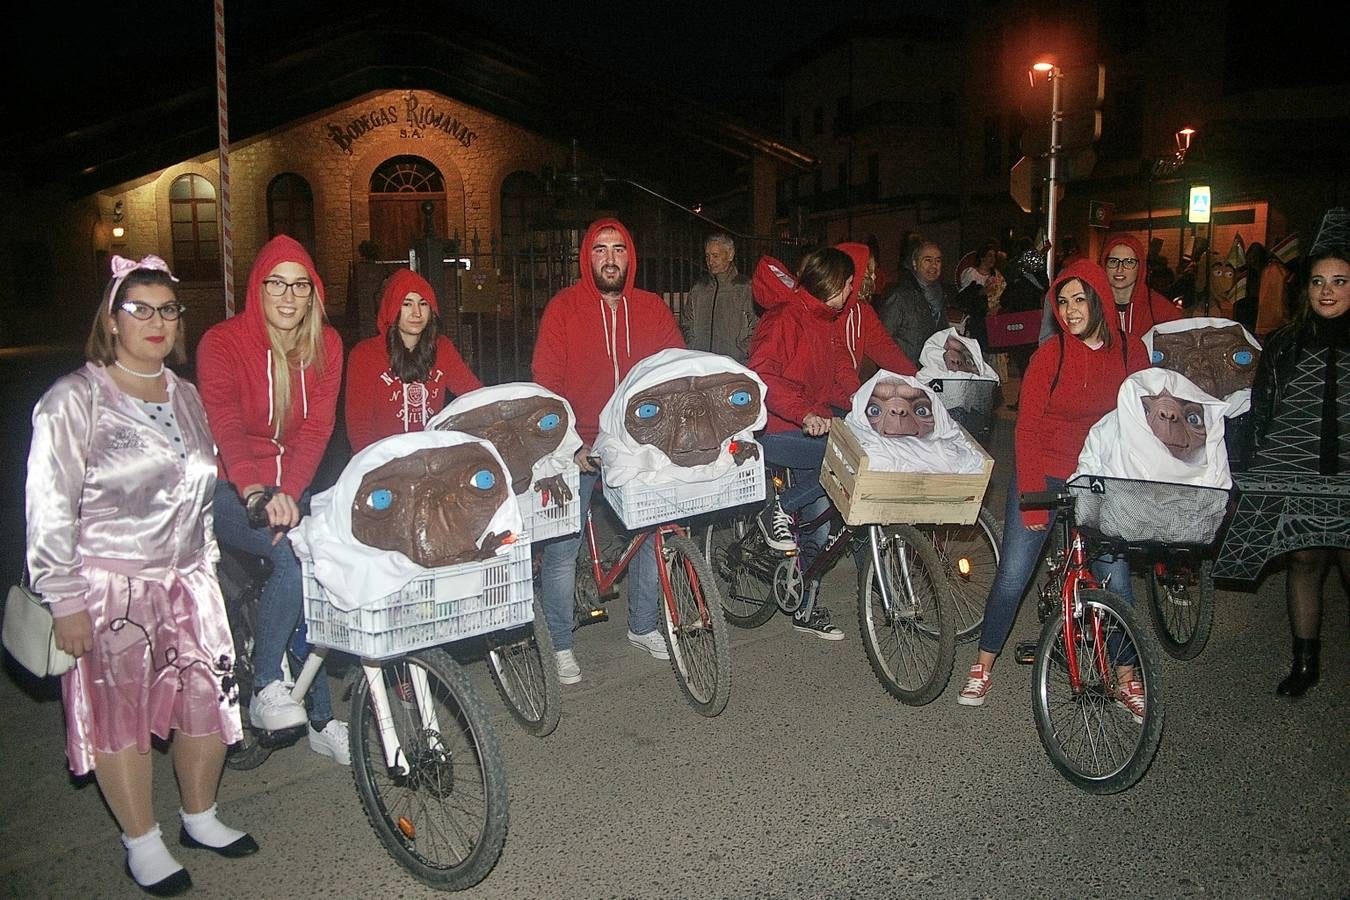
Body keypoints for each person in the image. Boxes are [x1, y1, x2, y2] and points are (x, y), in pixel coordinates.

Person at [27, 256, 256, 896]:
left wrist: (209, 562)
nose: (158, 322)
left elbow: (201, 493)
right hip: (110, 585)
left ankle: (200, 815)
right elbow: (48, 507)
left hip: (188, 580)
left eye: (169, 310)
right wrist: (64, 598)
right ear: (113, 318)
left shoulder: (185, 396)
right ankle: (142, 840)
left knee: (207, 702)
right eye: (142, 310)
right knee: (118, 716)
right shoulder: (76, 398)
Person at [957, 260, 1150, 713]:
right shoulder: (1051, 355)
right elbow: (1026, 430)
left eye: (1079, 299)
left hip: (1101, 473)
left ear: (1099, 300)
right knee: (1013, 574)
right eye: (1062, 302)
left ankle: (1126, 675)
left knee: (1117, 580)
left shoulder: (1129, 352)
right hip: (1043, 470)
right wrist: (1031, 502)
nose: (1070, 310)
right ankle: (983, 664)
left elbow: (1143, 415)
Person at [196, 234, 349, 762]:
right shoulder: (222, 342)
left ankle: (321, 719)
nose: (288, 296)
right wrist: (258, 493)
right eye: (276, 283)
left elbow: (316, 431)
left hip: (293, 488)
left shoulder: (327, 345)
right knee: (290, 560)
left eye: (300, 285)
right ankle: (265, 685)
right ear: (256, 288)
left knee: (324, 571)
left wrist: (290, 494)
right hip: (231, 488)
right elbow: (226, 425)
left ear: (313, 293)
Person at [532, 218, 685, 684]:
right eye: (601, 250)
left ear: (630, 256)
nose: (611, 258)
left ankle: (642, 625)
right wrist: (571, 444)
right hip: (576, 441)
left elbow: (674, 369)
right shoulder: (563, 308)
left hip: (635, 439)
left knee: (649, 530)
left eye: (619, 248)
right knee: (562, 548)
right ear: (587, 257)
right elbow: (546, 384)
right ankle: (560, 643)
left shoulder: (652, 308)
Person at [1244, 245, 1349, 697]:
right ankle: (1305, 663)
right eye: (1318, 281)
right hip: (1299, 469)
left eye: (1339, 281)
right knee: (1304, 560)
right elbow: (1262, 410)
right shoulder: (1285, 343)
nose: (1327, 291)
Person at [748, 247, 856, 639]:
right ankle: (775, 509)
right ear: (834, 284)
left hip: (813, 425)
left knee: (820, 529)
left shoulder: (826, 321)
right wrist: (803, 413)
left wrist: (872, 404)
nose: (850, 292)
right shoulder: (783, 319)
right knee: (839, 462)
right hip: (778, 429)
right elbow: (762, 376)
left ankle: (805, 609)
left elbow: (842, 372)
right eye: (847, 285)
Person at [344, 267, 481, 452]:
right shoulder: (365, 355)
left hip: (429, 457)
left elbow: (474, 394)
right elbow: (359, 426)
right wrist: (380, 465)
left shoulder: (442, 348)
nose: (416, 313)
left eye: (423, 304)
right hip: (380, 459)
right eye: (407, 304)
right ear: (392, 308)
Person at [835, 241, 918, 392]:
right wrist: (854, 394)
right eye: (869, 270)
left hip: (848, 391)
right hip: (829, 397)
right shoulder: (830, 314)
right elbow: (836, 362)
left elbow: (884, 347)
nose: (874, 276)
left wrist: (915, 378)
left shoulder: (862, 309)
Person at [678, 232, 756, 362]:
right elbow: (686, 323)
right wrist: (693, 345)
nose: (710, 261)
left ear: (730, 255)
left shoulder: (745, 288)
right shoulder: (699, 288)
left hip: (734, 364)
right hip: (702, 363)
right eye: (707, 256)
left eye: (715, 256)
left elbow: (758, 326)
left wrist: (742, 351)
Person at [877, 240, 946, 363]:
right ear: (915, 264)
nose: (934, 265)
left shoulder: (939, 295)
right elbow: (883, 338)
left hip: (932, 368)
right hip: (905, 369)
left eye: (938, 260)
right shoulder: (901, 295)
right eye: (928, 260)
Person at [1101, 234, 1182, 339]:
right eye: (1113, 261)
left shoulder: (1159, 308)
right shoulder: (1093, 307)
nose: (1119, 269)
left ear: (1140, 267)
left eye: (1129, 262)